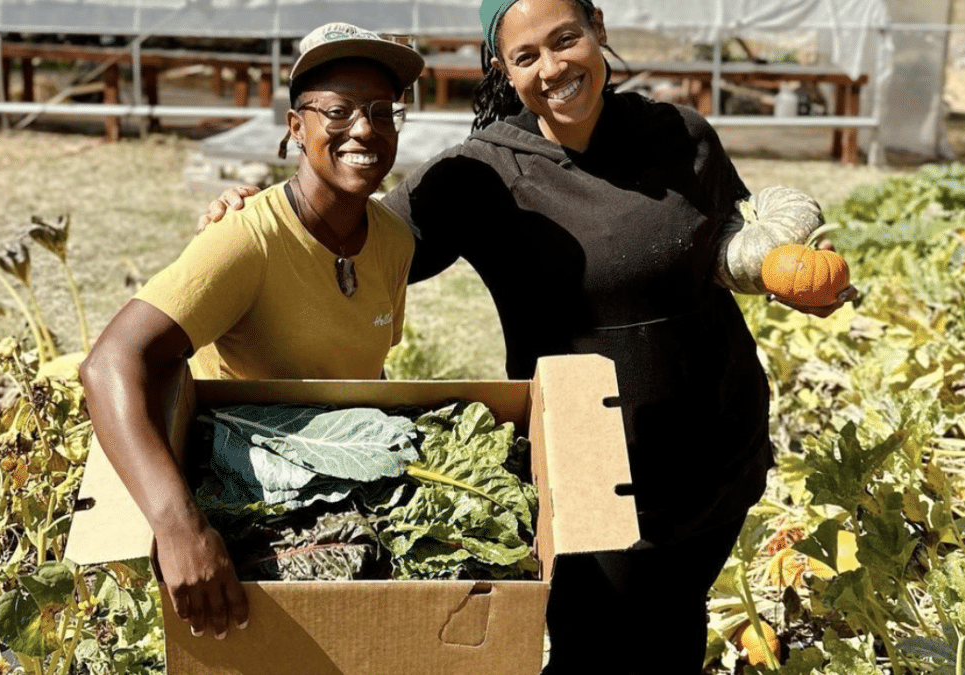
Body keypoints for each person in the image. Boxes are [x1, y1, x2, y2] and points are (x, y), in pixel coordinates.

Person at [198, 0, 857, 671]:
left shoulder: (677, 133)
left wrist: (794, 277)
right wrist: (261, 218)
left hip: (717, 455)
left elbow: (726, 246)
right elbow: (359, 237)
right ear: (501, 70)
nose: (552, 67)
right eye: (526, 56)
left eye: (565, 39)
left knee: (674, 634)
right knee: (593, 651)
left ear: (597, 28)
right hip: (595, 477)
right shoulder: (482, 175)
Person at [79, 23, 424, 643]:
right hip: (241, 503)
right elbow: (110, 363)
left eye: (382, 112)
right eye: (339, 112)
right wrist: (179, 529)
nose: (366, 130)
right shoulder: (247, 237)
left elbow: (367, 379)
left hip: (334, 499)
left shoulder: (394, 241)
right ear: (297, 129)